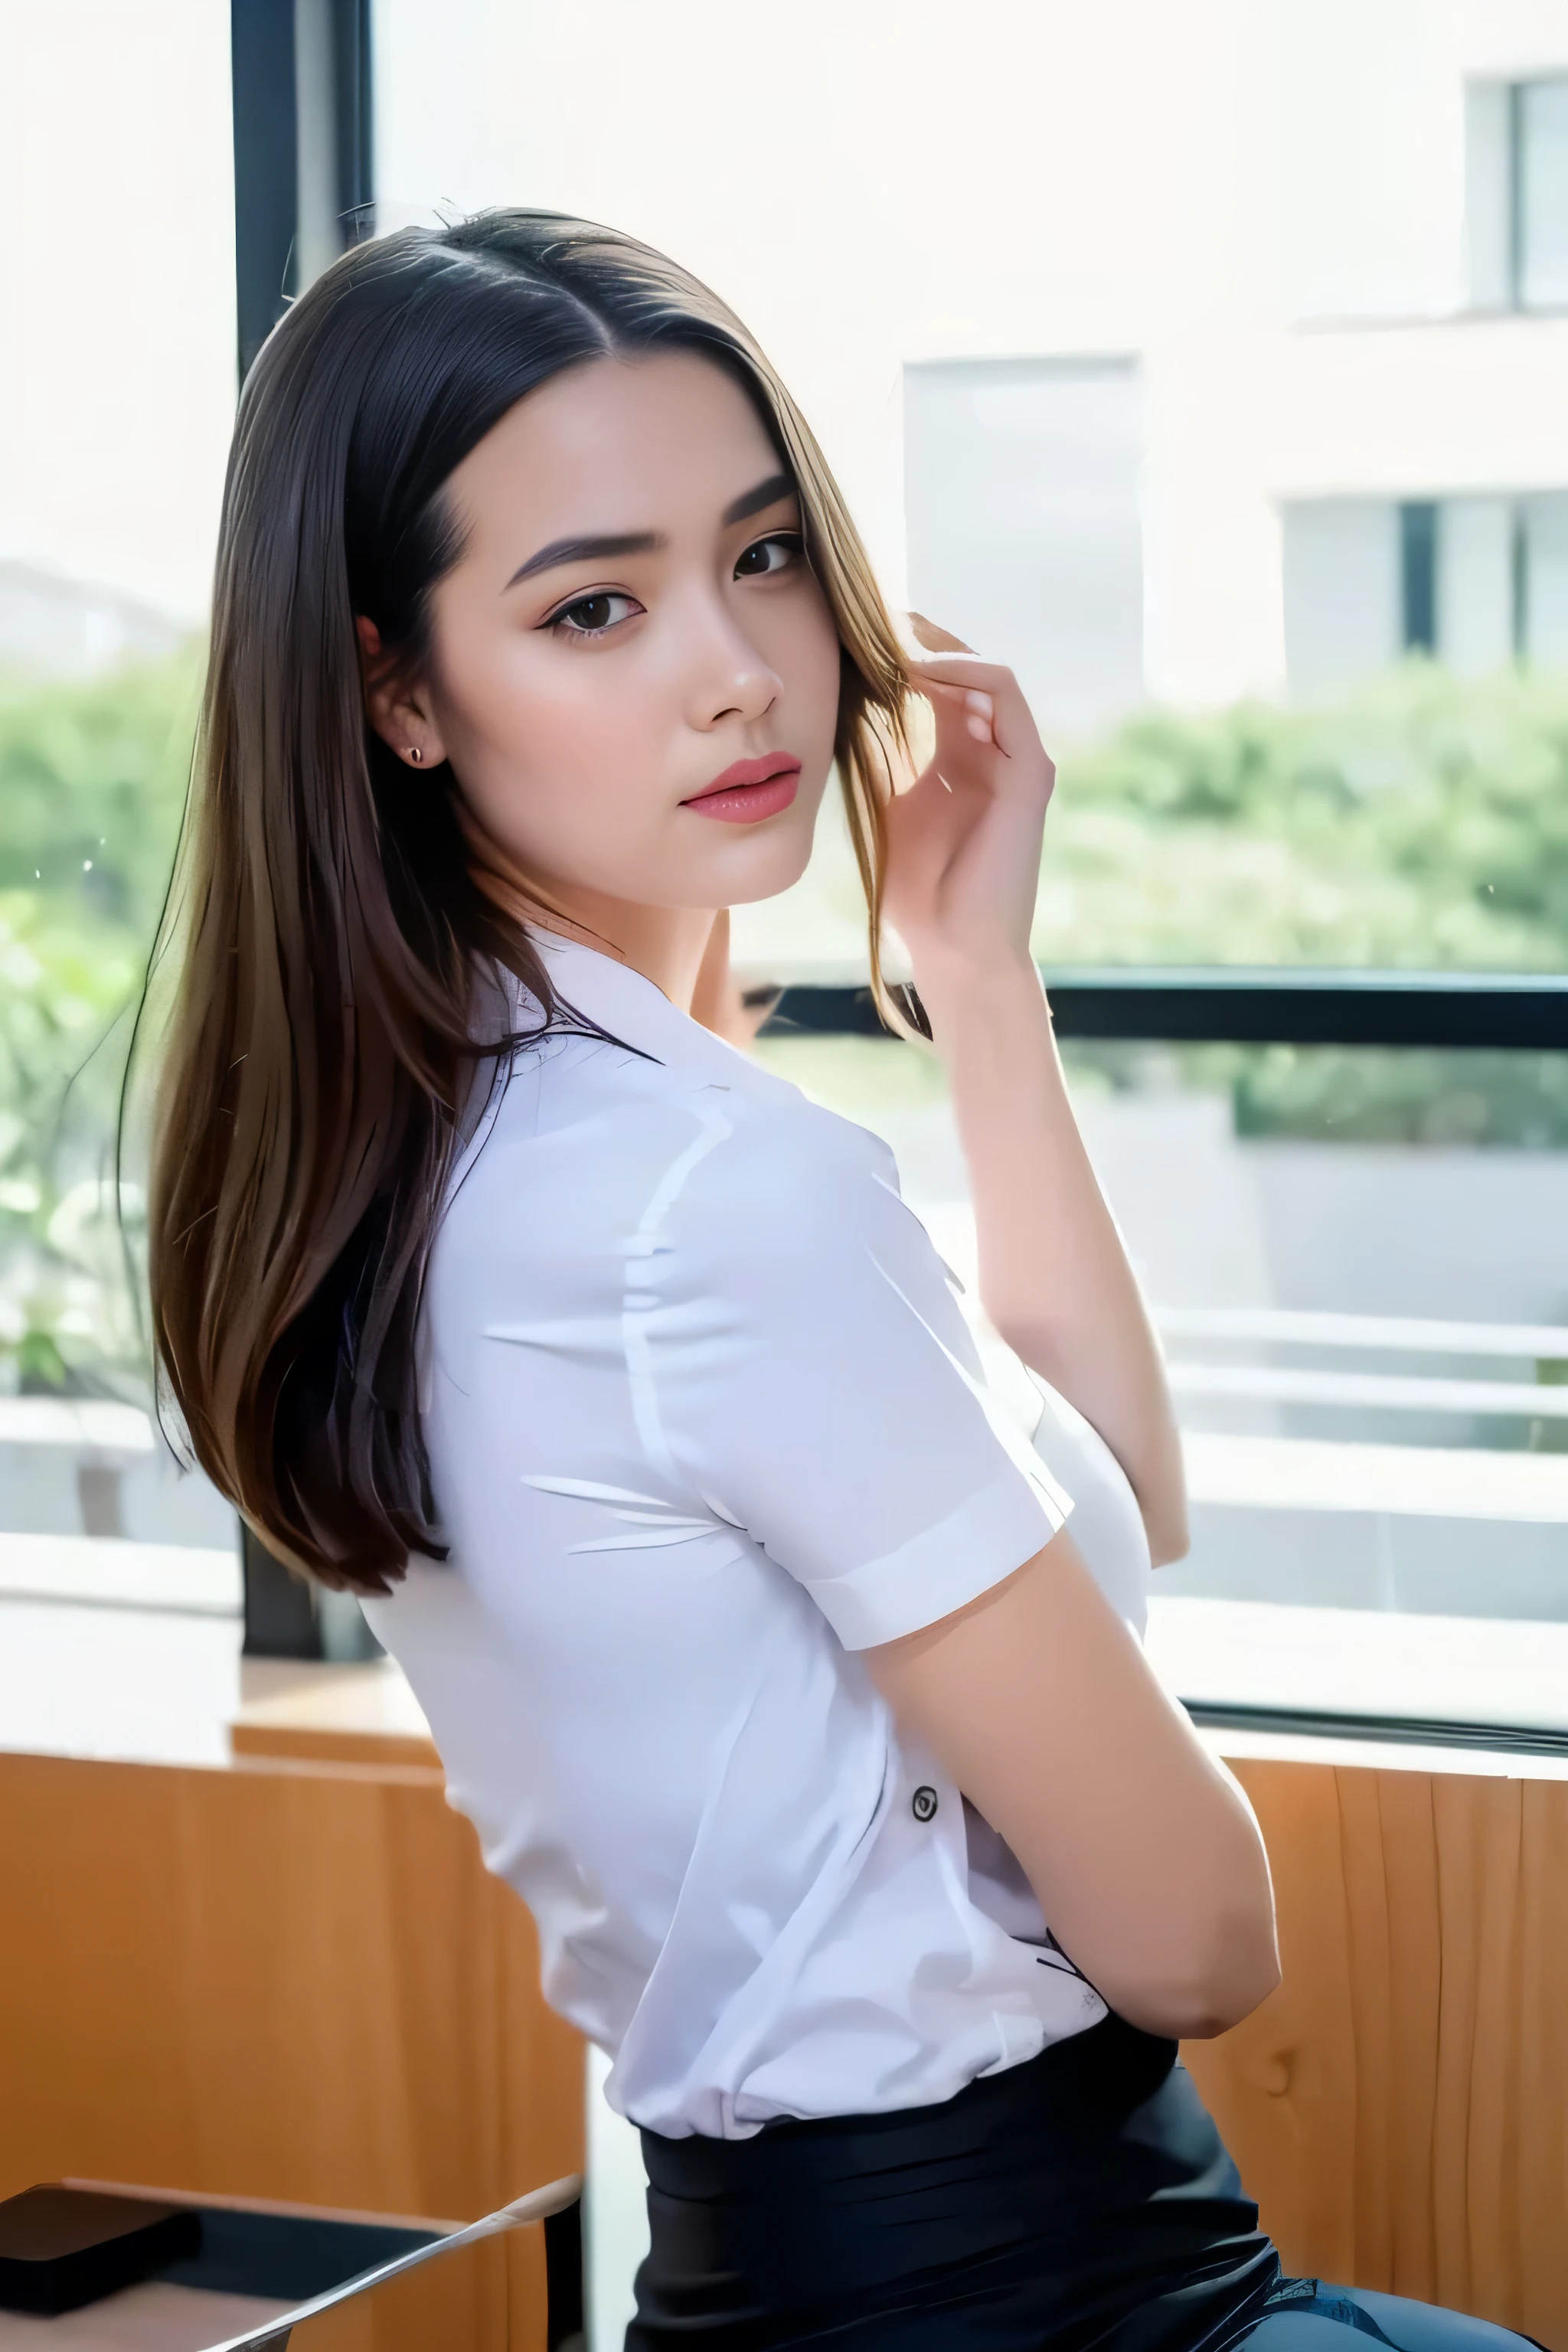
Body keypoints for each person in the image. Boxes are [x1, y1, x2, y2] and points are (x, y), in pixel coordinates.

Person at [147, 212, 1539, 2352]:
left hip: (767, 2283)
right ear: (394, 691)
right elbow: (1199, 1941)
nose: (739, 665)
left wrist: (981, 985)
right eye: (595, 602)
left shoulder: (452, 1147)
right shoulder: (708, 1198)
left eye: (768, 553)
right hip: (1045, 2300)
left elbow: (1109, 1503)